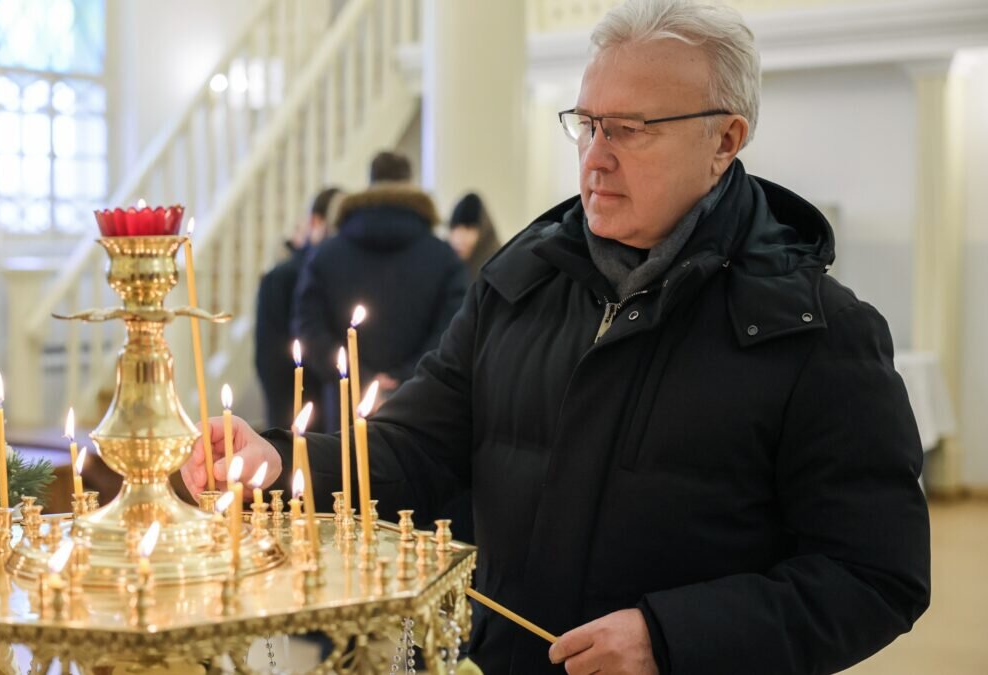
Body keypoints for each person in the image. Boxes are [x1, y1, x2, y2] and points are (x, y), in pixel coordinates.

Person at [184, 1, 930, 672]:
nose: (596, 156)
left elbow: (874, 574)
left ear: (724, 140)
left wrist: (670, 638)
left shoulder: (816, 331)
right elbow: (415, 446)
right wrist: (279, 458)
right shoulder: (521, 283)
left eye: (630, 130)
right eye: (588, 123)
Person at [291, 153, 467, 430]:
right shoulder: (443, 257)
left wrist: (359, 375)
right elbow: (455, 330)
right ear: (411, 184)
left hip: (344, 410)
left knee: (347, 470)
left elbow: (309, 328)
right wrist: (406, 376)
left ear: (370, 184)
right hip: (421, 409)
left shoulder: (326, 255)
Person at [254, 187, 342, 429]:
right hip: (296, 401)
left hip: (331, 400)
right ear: (316, 222)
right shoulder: (284, 277)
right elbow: (271, 357)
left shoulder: (339, 272)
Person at [448, 192, 502, 280]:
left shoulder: (498, 268)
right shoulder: (446, 266)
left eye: (468, 228)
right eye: (455, 227)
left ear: (483, 230)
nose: (459, 239)